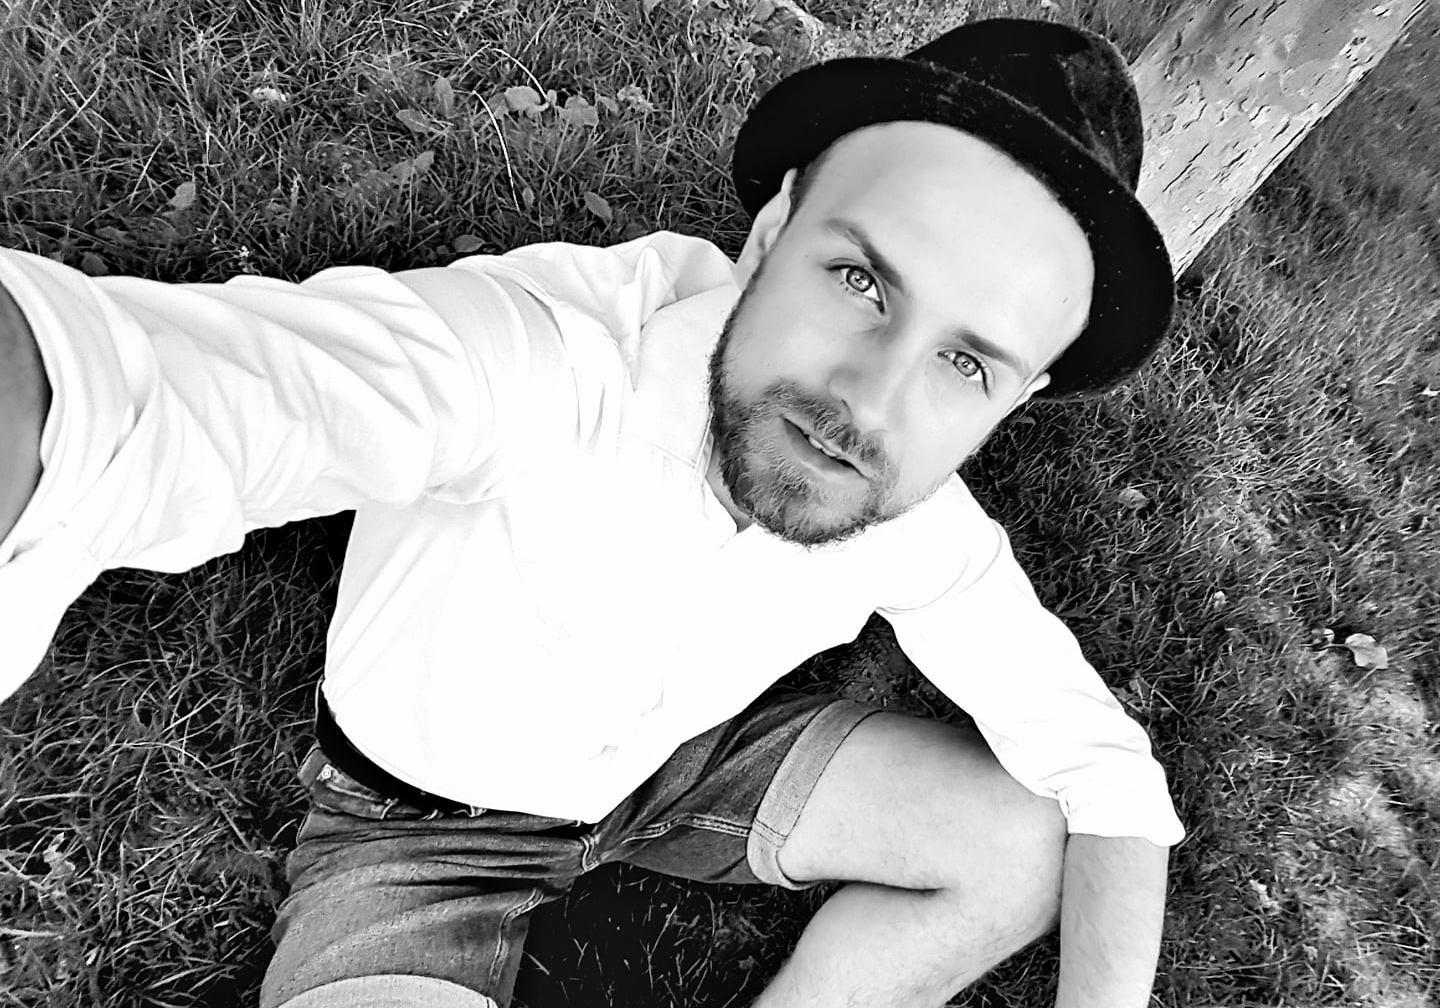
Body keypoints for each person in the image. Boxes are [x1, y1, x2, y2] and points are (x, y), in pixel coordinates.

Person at [0, 16, 1184, 1008]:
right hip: (419, 833)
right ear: (770, 235)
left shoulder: (917, 510)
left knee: (1023, 841)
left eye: (966, 363)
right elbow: (153, 399)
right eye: (860, 280)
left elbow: (1102, 773)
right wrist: (51, 397)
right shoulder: (548, 364)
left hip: (674, 774)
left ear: (1015, 398)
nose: (869, 403)